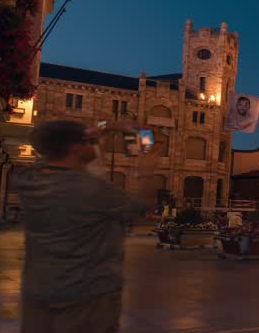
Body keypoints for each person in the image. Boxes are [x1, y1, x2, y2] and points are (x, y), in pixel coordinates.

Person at [16, 119, 160, 333]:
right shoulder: (93, 190)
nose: (95, 144)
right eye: (90, 141)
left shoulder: (29, 179)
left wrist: (95, 131)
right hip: (87, 297)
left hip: (38, 293)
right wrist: (148, 161)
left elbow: (61, 160)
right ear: (76, 148)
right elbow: (143, 207)